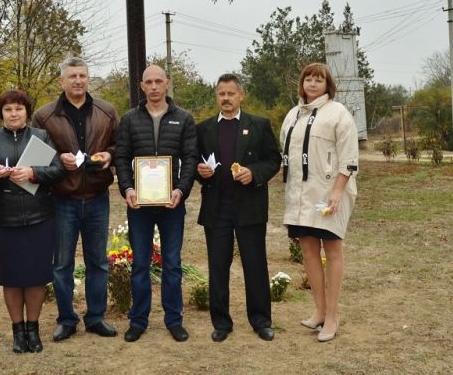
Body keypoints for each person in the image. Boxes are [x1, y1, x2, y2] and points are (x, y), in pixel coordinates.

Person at [32, 57, 120, 342]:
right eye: (72, 76)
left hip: (97, 197)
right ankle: (66, 319)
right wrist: (59, 159)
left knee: (98, 263)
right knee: (62, 265)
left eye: (82, 75)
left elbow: (122, 146)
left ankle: (96, 317)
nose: (78, 80)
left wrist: (111, 155)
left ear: (88, 78)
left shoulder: (107, 112)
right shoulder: (44, 116)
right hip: (62, 199)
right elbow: (35, 157)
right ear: (61, 80)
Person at [0, 89, 64, 354]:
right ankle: (17, 331)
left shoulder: (41, 136)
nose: (14, 114)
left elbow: (58, 170)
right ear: (1, 113)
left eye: (19, 109)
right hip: (6, 219)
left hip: (40, 217)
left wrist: (33, 172)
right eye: (8, 110)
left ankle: (33, 330)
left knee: (36, 277)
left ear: (27, 112)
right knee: (12, 278)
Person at [195, 73, 282, 342]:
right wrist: (201, 173)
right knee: (218, 267)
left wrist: (253, 173)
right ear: (216, 96)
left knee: (255, 265)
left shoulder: (259, 125)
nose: (226, 98)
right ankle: (221, 322)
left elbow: (274, 160)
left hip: (249, 208)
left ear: (241, 95)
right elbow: (196, 164)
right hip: (217, 209)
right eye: (221, 93)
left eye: (231, 93)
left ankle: (261, 320)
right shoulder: (204, 129)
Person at [115, 64, 198, 343]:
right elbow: (122, 158)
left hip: (171, 203)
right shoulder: (129, 119)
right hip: (139, 204)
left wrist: (181, 190)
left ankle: (174, 320)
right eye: (148, 81)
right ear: (141, 86)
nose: (153, 86)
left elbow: (190, 159)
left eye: (158, 81)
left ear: (167, 83)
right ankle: (138, 321)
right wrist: (126, 187)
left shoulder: (184, 119)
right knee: (140, 263)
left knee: (172, 263)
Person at [280, 63, 359, 343]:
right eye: (308, 79)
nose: (313, 84)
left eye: (319, 80)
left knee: (332, 249)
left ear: (328, 85)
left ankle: (333, 317)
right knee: (309, 251)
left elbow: (349, 155)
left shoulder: (338, 113)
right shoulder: (293, 115)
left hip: (328, 194)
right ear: (301, 84)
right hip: (301, 196)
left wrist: (338, 190)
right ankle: (320, 311)